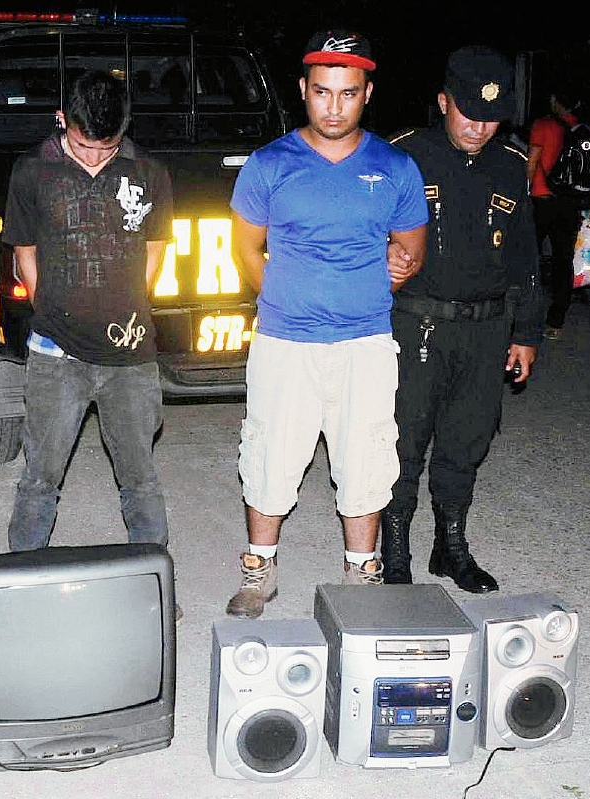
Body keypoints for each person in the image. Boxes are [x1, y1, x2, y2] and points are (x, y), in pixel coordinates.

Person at [225, 30, 428, 618]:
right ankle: (259, 569)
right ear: (303, 91)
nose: (333, 106)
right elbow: (246, 250)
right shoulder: (269, 164)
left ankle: (360, 575)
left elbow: (410, 251)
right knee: (269, 452)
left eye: (347, 93)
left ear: (367, 93)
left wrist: (366, 287)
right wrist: (287, 299)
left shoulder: (395, 167)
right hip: (285, 342)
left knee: (365, 456)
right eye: (321, 92)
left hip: (365, 342)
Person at [384, 46, 543, 592]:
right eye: (468, 112)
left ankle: (450, 546)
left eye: (491, 117)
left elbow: (525, 258)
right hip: (417, 324)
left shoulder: (513, 165)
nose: (479, 127)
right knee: (404, 441)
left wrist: (526, 331)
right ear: (442, 102)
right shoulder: (402, 157)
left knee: (466, 441)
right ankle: (395, 549)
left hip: (486, 327)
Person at [0, 70, 173, 556]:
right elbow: (25, 252)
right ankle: (23, 577)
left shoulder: (149, 171)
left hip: (132, 354)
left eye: (107, 147)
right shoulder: (32, 171)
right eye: (84, 145)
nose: (96, 157)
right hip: (56, 353)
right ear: (61, 120)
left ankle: (152, 583)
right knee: (40, 477)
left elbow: (156, 247)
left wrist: (131, 303)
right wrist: (50, 308)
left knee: (140, 479)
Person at [527, 91, 587, 340]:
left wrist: (525, 191)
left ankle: (524, 315)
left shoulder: (543, 125)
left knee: (529, 257)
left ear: (555, 101)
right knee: (564, 261)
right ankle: (556, 322)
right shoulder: (584, 131)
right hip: (570, 203)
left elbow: (532, 162)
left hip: (542, 199)